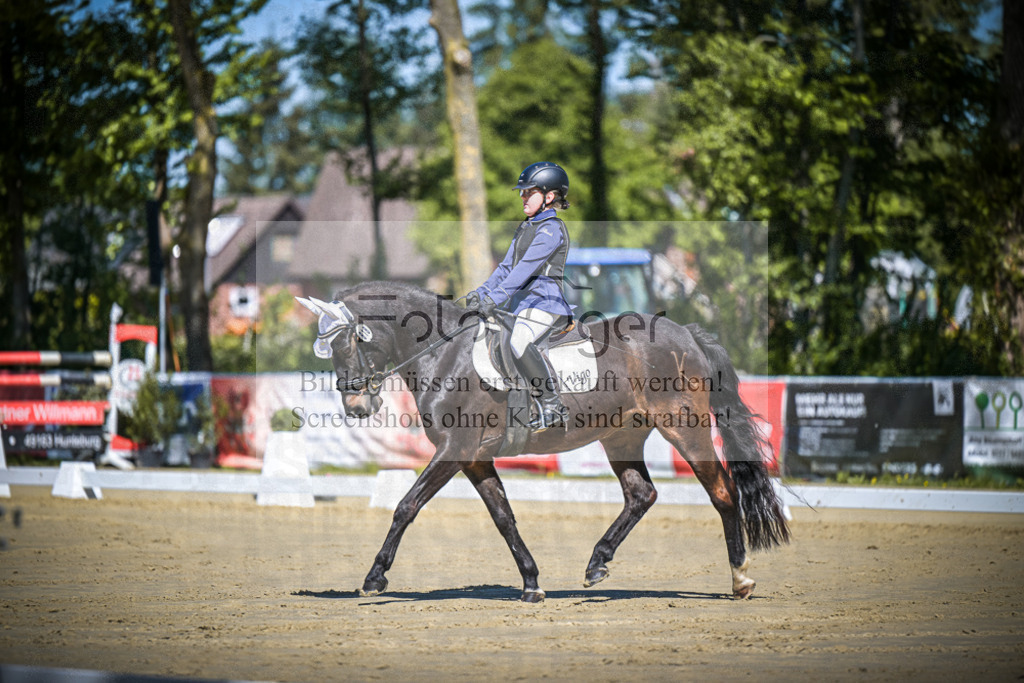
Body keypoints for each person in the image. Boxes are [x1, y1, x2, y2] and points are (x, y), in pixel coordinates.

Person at [464, 161, 573, 431]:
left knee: (520, 340)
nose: (523, 197)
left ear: (549, 196)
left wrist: (495, 298)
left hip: (545, 302)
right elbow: (505, 268)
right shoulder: (526, 227)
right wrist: (481, 292)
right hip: (521, 303)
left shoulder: (551, 229)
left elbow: (524, 271)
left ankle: (552, 405)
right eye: (522, 192)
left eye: (529, 192)